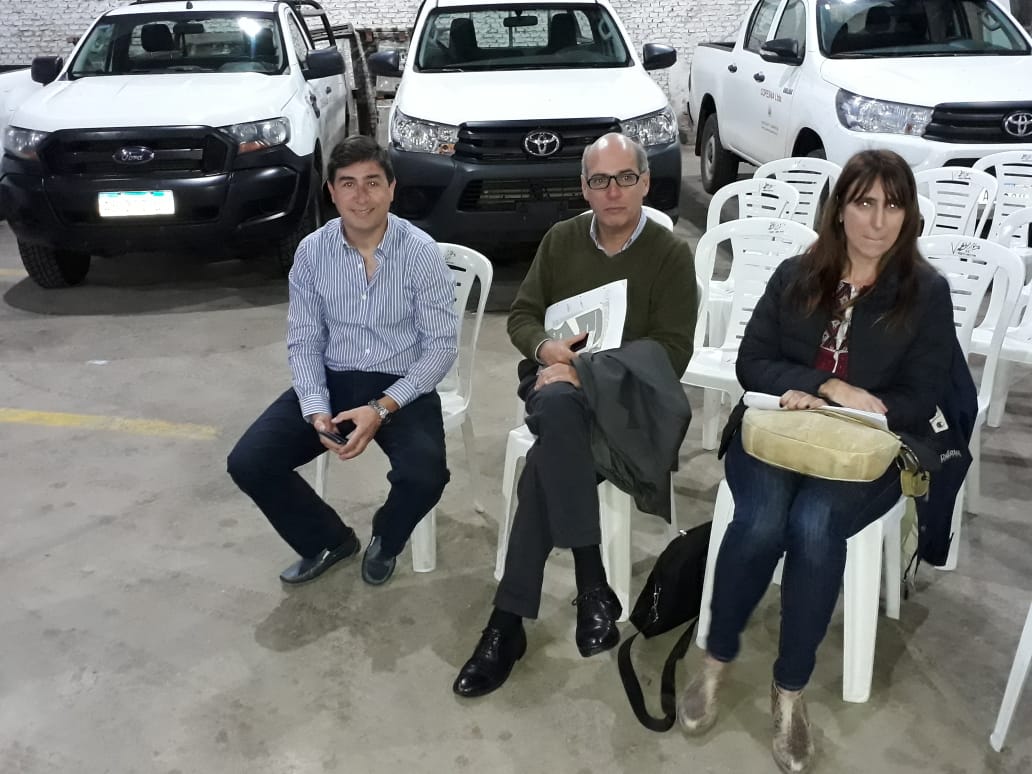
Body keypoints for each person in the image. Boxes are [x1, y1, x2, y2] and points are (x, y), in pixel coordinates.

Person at [677, 149, 955, 773]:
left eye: (892, 205)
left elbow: (922, 398)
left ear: (908, 214)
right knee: (759, 522)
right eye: (864, 202)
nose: (877, 221)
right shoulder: (797, 274)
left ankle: (790, 689)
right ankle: (717, 660)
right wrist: (820, 385)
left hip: (864, 451)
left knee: (813, 525)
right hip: (779, 433)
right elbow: (752, 363)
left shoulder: (925, 293)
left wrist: (859, 404)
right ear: (839, 210)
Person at [452, 132, 698, 698]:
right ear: (584, 187)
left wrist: (587, 372)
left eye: (625, 178)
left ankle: (507, 624)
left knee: (548, 454)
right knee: (559, 402)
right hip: (553, 382)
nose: (613, 191)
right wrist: (547, 350)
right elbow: (522, 316)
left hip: (625, 401)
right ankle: (592, 582)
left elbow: (672, 352)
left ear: (645, 182)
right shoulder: (561, 240)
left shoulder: (669, 254)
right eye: (599, 180)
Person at [227, 136, 458, 588]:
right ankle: (328, 541)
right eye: (348, 183)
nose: (361, 196)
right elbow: (305, 340)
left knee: (426, 475)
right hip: (333, 379)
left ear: (392, 188)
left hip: (401, 385)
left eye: (373, 182)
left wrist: (382, 408)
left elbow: (440, 348)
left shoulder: (421, 252)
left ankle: (387, 539)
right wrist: (315, 408)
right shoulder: (312, 252)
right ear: (331, 192)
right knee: (250, 461)